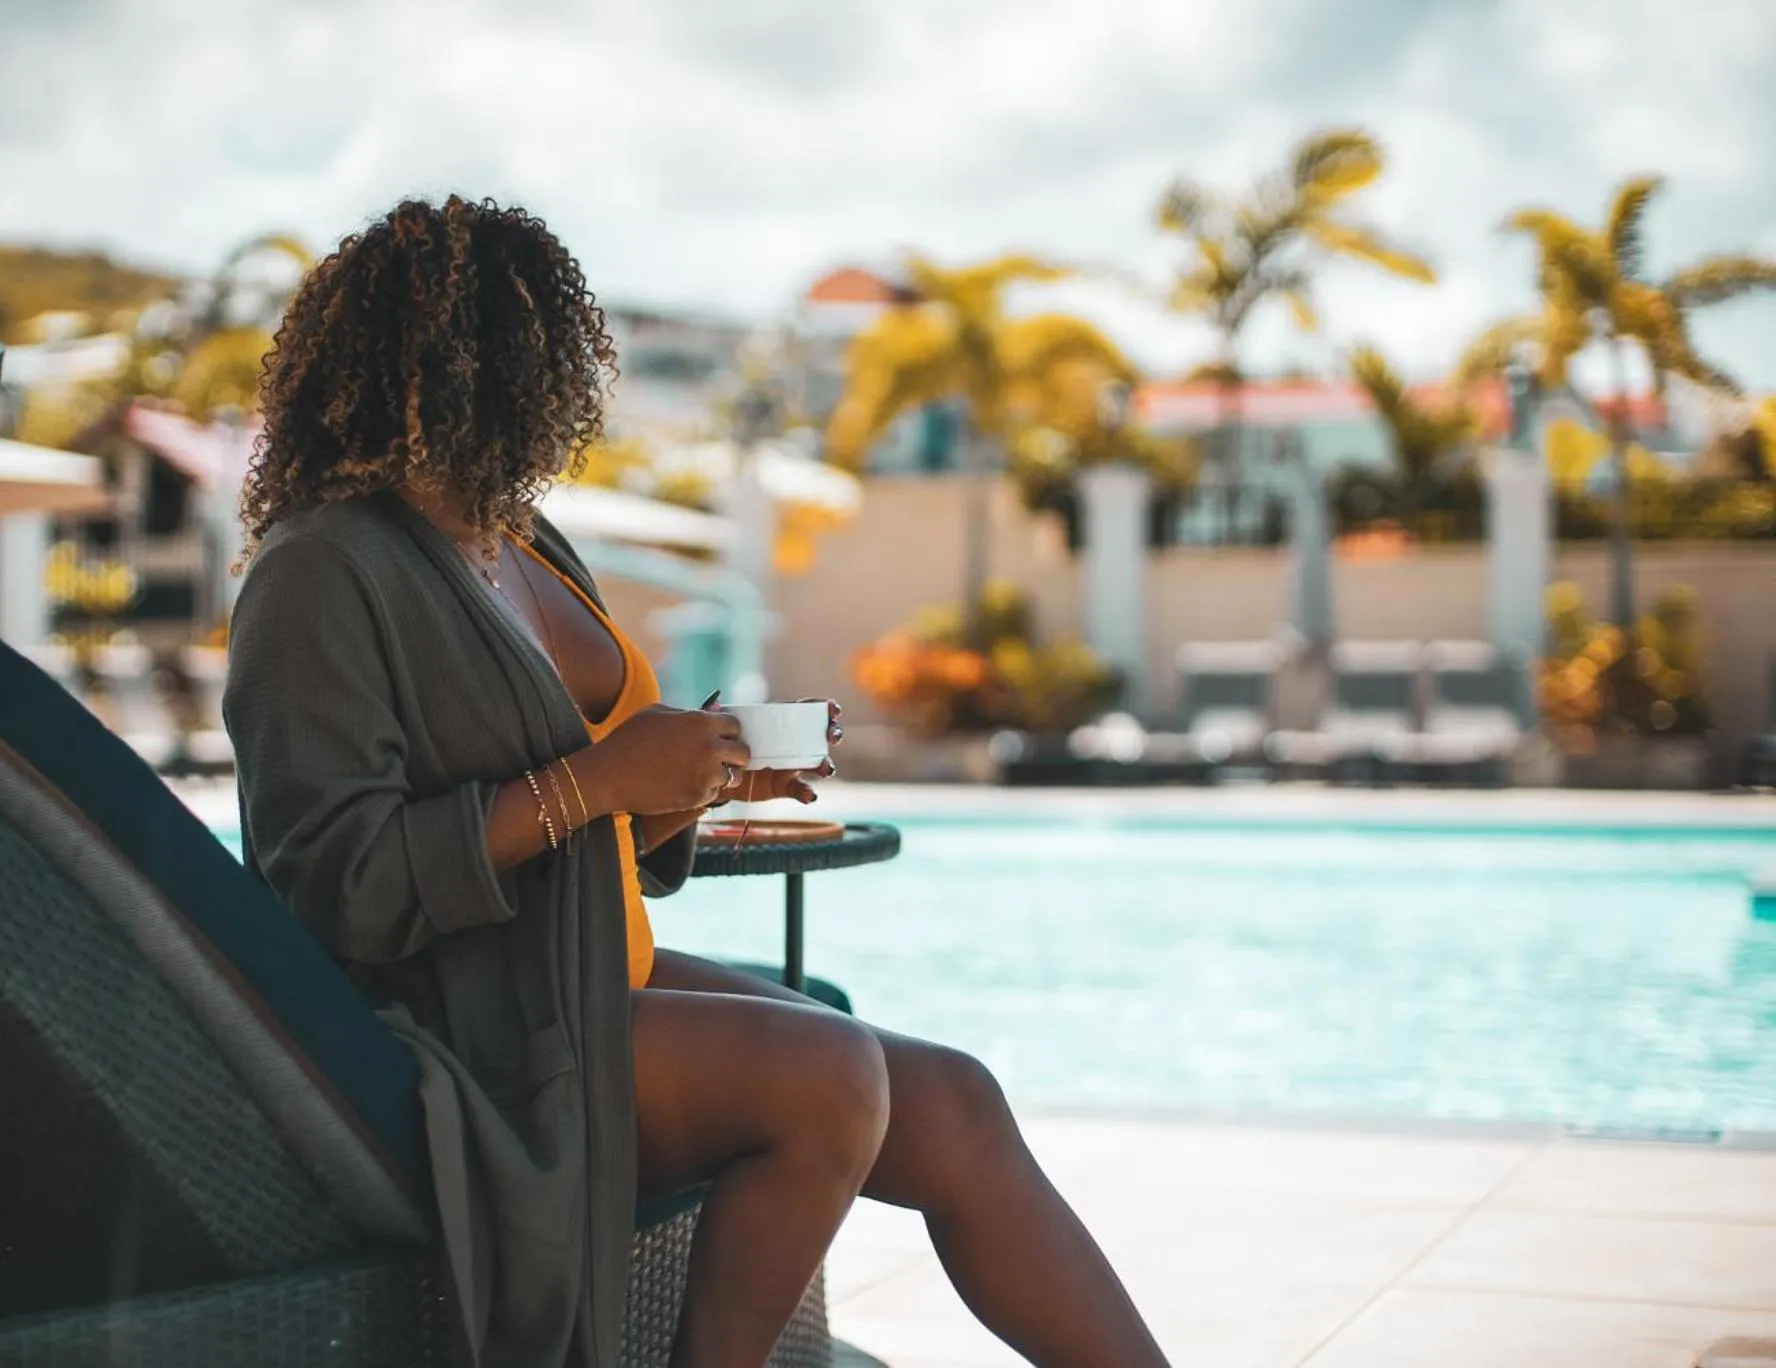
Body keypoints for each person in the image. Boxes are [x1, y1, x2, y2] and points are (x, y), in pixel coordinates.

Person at [224, 195, 1169, 1368]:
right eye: (519, 354)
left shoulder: (520, 543)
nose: (547, 386)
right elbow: (333, 884)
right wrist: (599, 779)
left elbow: (605, 806)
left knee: (952, 1101)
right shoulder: (321, 568)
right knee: (827, 1077)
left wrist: (700, 777)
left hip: (581, 966)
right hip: (460, 1021)